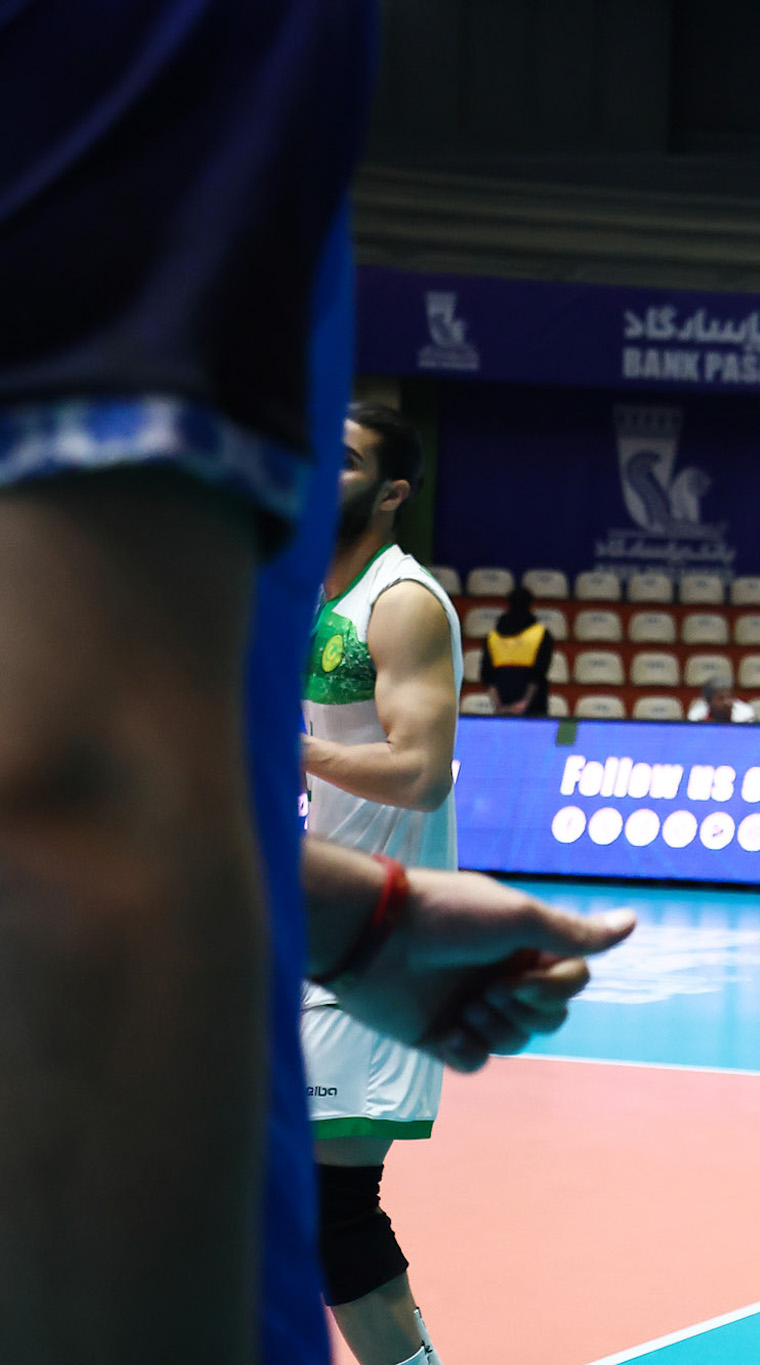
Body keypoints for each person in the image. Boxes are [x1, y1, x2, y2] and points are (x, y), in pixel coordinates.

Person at [0, 11, 632, 1361]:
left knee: (339, 1215)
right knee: (324, 1221)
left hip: (304, 937)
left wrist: (339, 910)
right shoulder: (187, 41)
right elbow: (70, 792)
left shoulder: (400, 600)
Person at [300, 402, 464, 1365]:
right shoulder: (316, 592)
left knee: (332, 1207)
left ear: (393, 492)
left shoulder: (400, 603)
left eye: (347, 459)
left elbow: (421, 771)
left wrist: (287, 748)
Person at [481, 586, 555, 716]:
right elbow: (539, 674)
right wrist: (524, 703)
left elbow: (487, 676)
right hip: (534, 708)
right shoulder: (541, 634)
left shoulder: (492, 637)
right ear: (531, 605)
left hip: (502, 708)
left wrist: (499, 706)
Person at [688, 679, 756, 723]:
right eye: (721, 698)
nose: (727, 702)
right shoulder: (696, 715)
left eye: (730, 697)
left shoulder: (745, 715)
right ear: (709, 701)